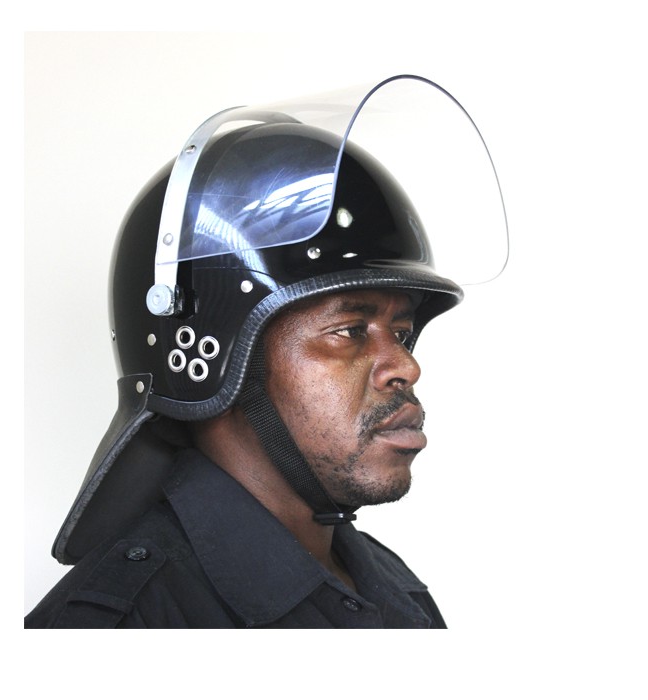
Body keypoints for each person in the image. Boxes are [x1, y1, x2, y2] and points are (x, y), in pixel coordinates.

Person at [25, 75, 506, 628]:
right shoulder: (118, 627)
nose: (406, 366)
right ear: (215, 359)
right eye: (350, 330)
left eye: (399, 332)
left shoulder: (389, 584)